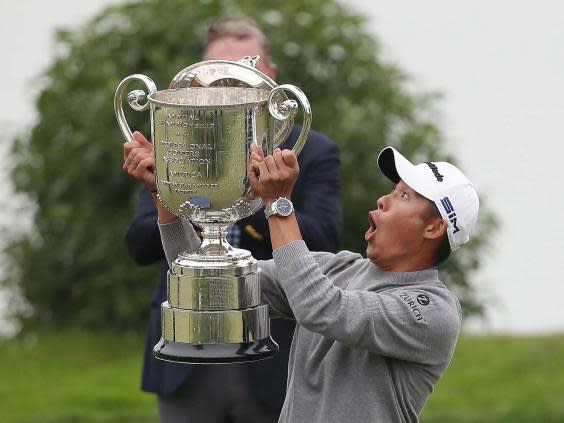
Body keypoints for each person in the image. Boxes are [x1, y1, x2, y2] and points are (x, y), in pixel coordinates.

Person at [122, 139, 479, 422]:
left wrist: (278, 203)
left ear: (434, 227)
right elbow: (210, 285)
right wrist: (165, 195)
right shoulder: (338, 268)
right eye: (393, 189)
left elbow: (322, 308)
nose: (383, 199)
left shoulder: (432, 311)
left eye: (404, 195)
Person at [124, 17, 342, 423]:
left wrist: (261, 200)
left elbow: (324, 240)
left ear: (271, 80)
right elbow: (139, 244)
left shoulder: (310, 151)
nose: (227, 91)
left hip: (270, 353)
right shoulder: (174, 149)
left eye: (241, 75)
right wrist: (167, 193)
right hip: (184, 356)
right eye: (215, 78)